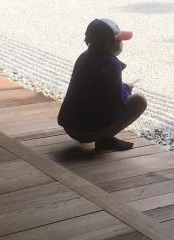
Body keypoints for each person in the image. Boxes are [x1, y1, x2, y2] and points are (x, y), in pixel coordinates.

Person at [58, 18, 148, 152]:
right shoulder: (111, 63)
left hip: (70, 127)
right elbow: (117, 101)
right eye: (119, 40)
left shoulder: (84, 56)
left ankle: (102, 136)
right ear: (108, 44)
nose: (121, 43)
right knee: (139, 101)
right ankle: (105, 139)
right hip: (86, 132)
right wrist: (127, 88)